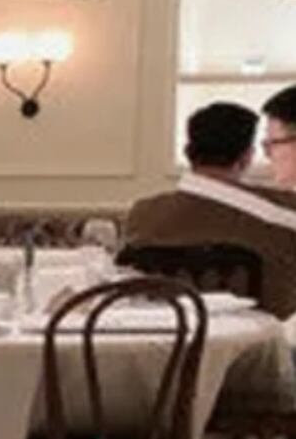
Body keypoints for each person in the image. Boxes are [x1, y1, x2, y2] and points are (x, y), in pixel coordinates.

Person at [123, 100, 296, 317]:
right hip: (264, 336)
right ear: (247, 156)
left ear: (188, 152)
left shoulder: (141, 215)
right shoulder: (284, 212)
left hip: (166, 334)